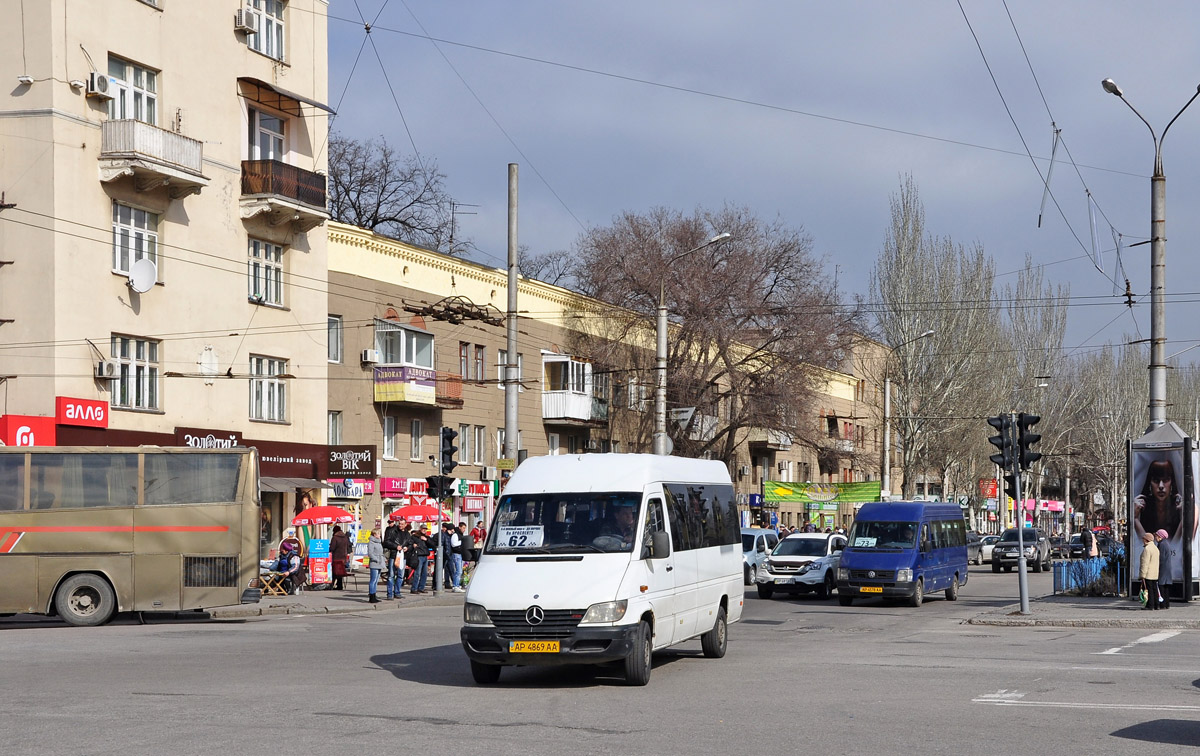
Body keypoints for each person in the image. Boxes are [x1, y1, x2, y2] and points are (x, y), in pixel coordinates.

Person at [382, 518, 405, 600]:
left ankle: (397, 592)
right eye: (399, 523)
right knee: (391, 575)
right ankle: (389, 593)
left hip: (402, 556)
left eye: (402, 524)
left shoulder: (406, 534)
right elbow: (386, 542)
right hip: (394, 555)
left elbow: (410, 542)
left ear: (405, 525)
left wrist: (407, 548)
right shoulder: (392, 531)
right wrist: (396, 546)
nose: (400, 525)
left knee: (400, 575)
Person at [1139, 531, 1160, 611]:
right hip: (1155, 573)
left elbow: (1145, 563)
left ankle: (1150, 605)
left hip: (1148, 573)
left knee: (1149, 590)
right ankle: (1156, 605)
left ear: (1146, 540)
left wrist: (1142, 575)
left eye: (1143, 539)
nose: (1142, 540)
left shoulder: (1147, 549)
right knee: (1154, 589)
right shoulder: (1155, 548)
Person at [1155, 528, 1173, 610]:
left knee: (1161, 586)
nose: (1156, 537)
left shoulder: (1161, 544)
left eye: (1157, 536)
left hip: (1162, 568)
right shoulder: (1167, 543)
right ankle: (1167, 604)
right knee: (1166, 587)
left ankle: (1162, 604)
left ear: (1160, 536)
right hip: (1167, 568)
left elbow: (1160, 558)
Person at [329, 525, 351, 591]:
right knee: (340, 573)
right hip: (343, 558)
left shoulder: (335, 538)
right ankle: (339, 585)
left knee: (334, 572)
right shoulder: (345, 537)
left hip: (336, 558)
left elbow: (332, 548)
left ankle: (332, 585)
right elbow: (348, 547)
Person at [408, 528, 430, 594]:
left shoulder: (426, 537)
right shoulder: (415, 537)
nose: (424, 530)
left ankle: (421, 587)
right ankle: (414, 588)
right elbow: (410, 542)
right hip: (418, 556)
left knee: (424, 573)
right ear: (420, 529)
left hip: (425, 555)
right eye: (423, 529)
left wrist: (427, 540)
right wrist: (413, 545)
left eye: (425, 529)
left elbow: (432, 544)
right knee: (417, 573)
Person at [366, 530, 384, 604]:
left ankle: (374, 595)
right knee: (373, 580)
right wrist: (376, 559)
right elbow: (370, 553)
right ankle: (371, 596)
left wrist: (383, 559)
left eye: (379, 534)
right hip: (374, 563)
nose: (379, 535)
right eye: (378, 534)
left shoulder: (379, 542)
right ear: (374, 535)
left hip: (380, 562)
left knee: (376, 581)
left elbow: (381, 552)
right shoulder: (371, 542)